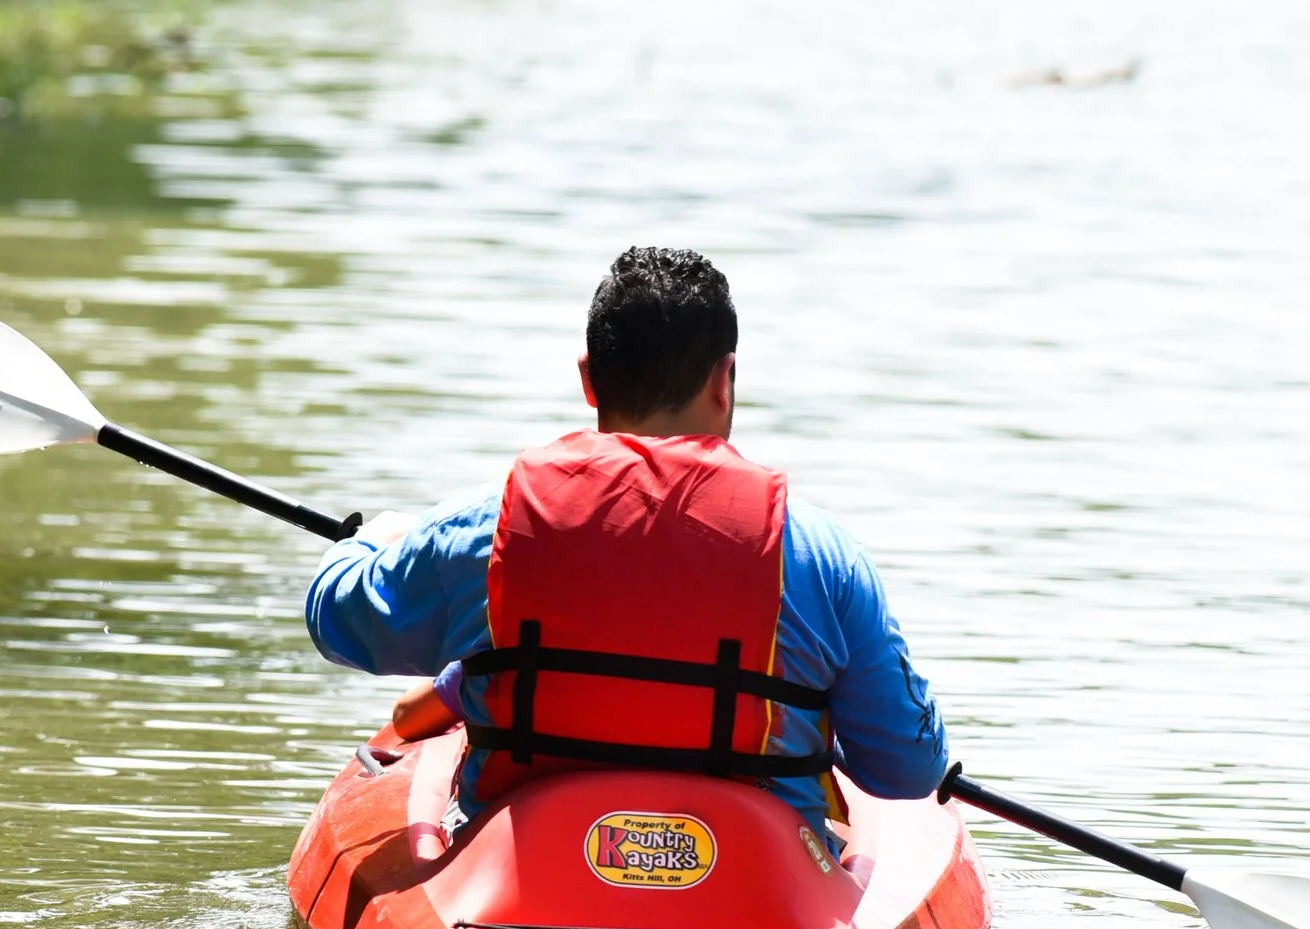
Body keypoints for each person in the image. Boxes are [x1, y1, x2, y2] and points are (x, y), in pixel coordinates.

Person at [305, 247, 948, 846]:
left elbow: (341, 626)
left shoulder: (484, 528)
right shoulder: (821, 558)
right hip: (766, 889)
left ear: (589, 380)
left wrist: (366, 545)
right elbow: (906, 768)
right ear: (725, 380)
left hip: (519, 879)